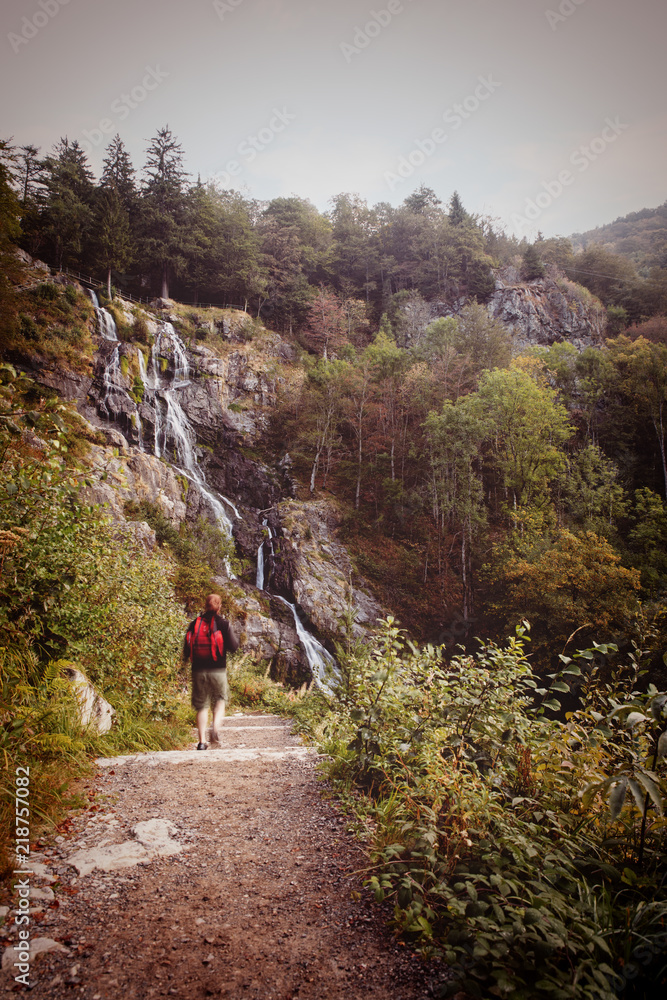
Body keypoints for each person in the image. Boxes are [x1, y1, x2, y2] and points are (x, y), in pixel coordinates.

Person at [183, 593, 239, 750]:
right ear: (219, 606)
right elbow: (234, 647)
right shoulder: (223, 623)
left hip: (198, 670)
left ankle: (201, 742)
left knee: (202, 706)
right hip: (218, 670)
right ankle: (214, 728)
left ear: (205, 606)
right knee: (220, 700)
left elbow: (186, 650)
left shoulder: (195, 624)